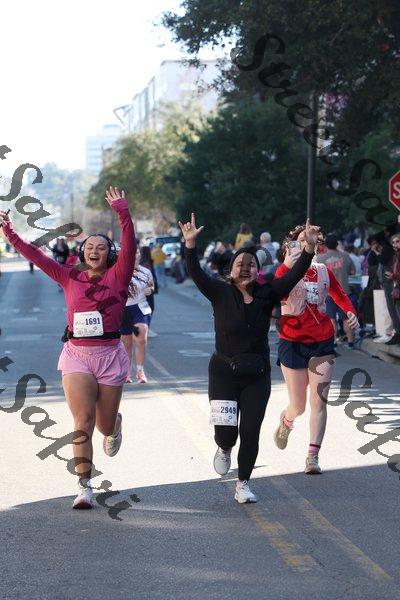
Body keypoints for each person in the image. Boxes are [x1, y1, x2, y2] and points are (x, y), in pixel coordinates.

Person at [0, 187, 136, 510]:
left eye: (101, 247)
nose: (94, 250)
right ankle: (84, 486)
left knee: (103, 425)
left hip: (109, 355)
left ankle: (115, 425)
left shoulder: (119, 275)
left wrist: (123, 212)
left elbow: (130, 245)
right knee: (83, 420)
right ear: (82, 252)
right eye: (89, 246)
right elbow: (36, 256)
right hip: (77, 355)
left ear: (109, 255)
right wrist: (10, 233)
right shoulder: (68, 276)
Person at [179, 213, 319, 504]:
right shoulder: (219, 291)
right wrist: (190, 244)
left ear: (258, 270)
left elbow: (296, 273)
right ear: (231, 270)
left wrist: (309, 247)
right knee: (227, 433)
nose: (245, 268)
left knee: (251, 430)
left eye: (251, 264)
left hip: (257, 374)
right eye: (239, 264)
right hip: (223, 373)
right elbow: (195, 272)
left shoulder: (269, 293)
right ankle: (224, 447)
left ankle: (243, 483)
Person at [273, 225, 359, 474]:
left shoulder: (322, 270)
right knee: (299, 405)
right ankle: (287, 420)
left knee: (319, 401)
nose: (305, 243)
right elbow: (276, 291)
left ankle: (312, 456)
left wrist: (350, 312)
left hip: (322, 340)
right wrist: (287, 265)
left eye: (308, 240)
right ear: (290, 246)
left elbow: (339, 294)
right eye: (299, 240)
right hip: (292, 341)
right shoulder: (285, 271)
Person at [315, 233, 356, 349]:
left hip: (328, 293)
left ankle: (333, 341)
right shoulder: (345, 256)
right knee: (346, 318)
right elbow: (353, 271)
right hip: (344, 292)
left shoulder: (320, 258)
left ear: (325, 245)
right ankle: (350, 342)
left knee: (331, 318)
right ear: (337, 244)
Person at [121, 246, 154, 383]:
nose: (134, 255)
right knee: (126, 343)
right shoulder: (119, 270)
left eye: (137, 253)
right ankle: (126, 372)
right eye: (131, 253)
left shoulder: (146, 272)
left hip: (140, 307)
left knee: (141, 337)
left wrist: (150, 290)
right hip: (123, 309)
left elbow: (152, 286)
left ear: (139, 255)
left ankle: (140, 371)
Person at [383, 234, 400, 345]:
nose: (395, 244)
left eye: (397, 241)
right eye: (393, 242)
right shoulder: (395, 256)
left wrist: (393, 276)